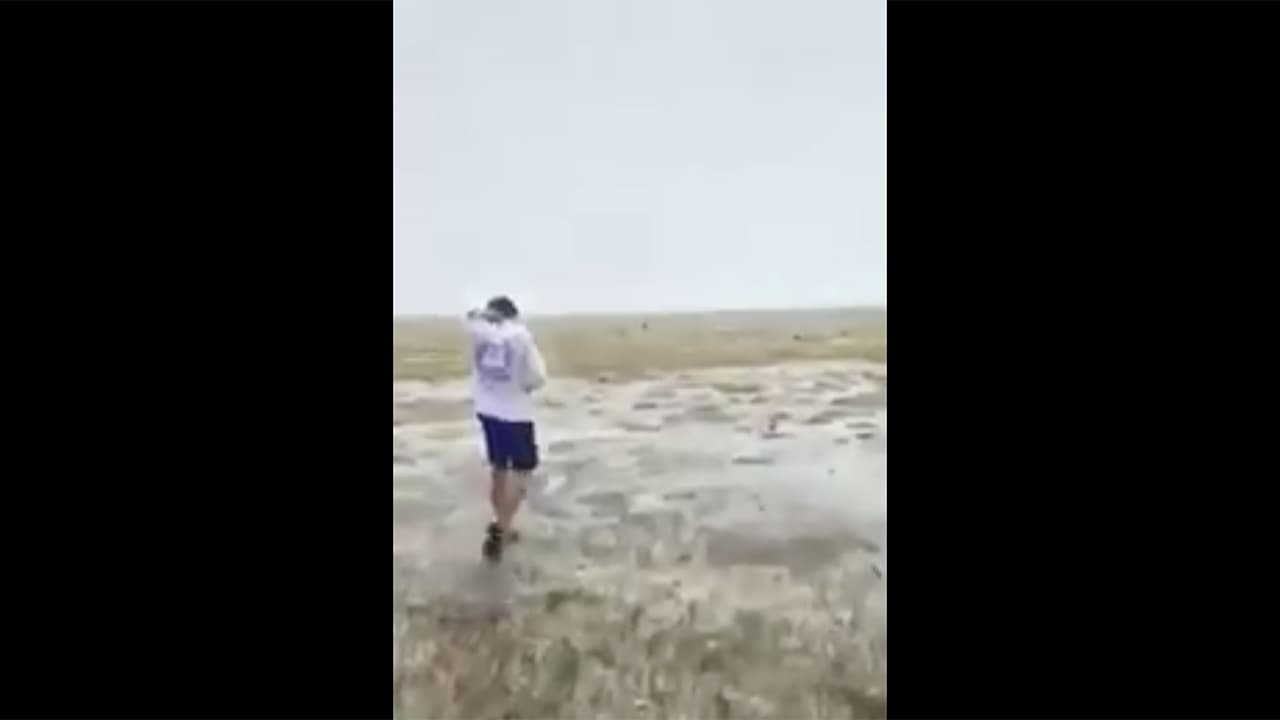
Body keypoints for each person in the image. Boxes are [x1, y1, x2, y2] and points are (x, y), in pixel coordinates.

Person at [465, 296, 547, 562]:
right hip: (516, 414)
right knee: (523, 469)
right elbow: (537, 377)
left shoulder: (479, 333)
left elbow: (472, 319)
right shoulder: (521, 337)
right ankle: (501, 529)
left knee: (499, 469)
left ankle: (503, 525)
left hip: (488, 411)